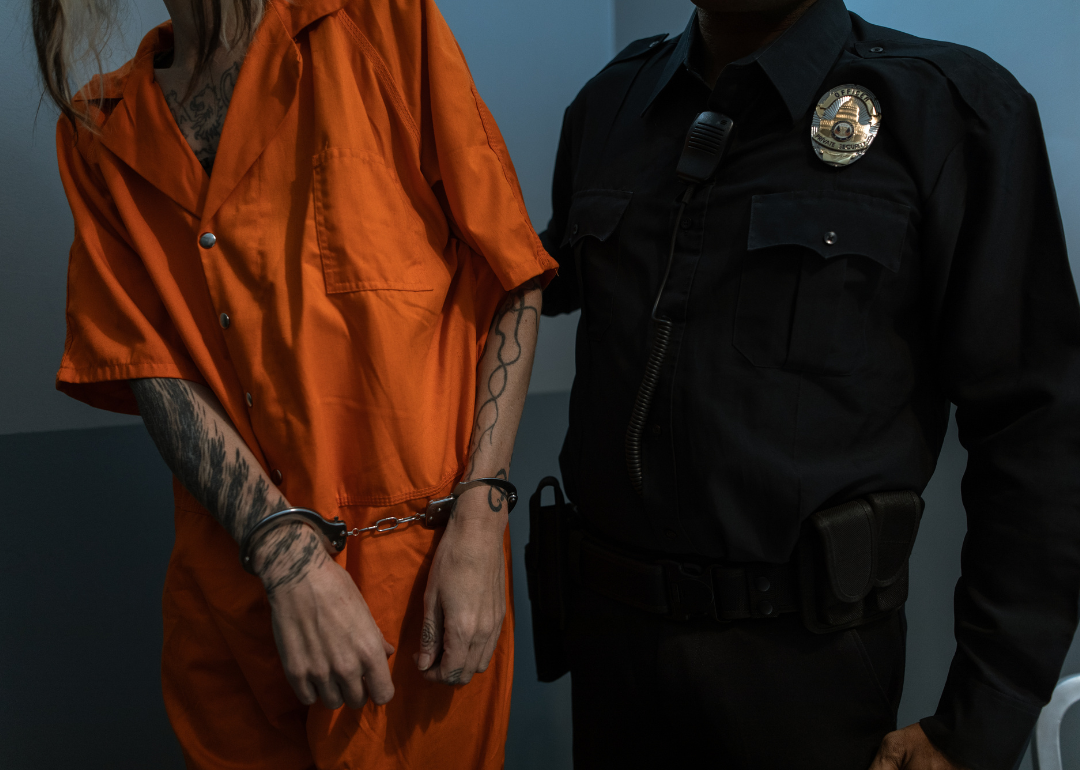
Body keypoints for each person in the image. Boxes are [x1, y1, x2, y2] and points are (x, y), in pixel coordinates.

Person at [536, 0, 1080, 768]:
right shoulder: (610, 104)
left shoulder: (949, 108)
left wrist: (978, 722)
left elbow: (1037, 429)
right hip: (611, 658)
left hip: (805, 673)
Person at [33, 0, 556, 764]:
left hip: (416, 592)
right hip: (233, 603)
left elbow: (512, 274)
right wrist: (290, 560)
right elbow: (152, 367)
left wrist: (480, 522)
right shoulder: (101, 128)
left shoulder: (382, 26)